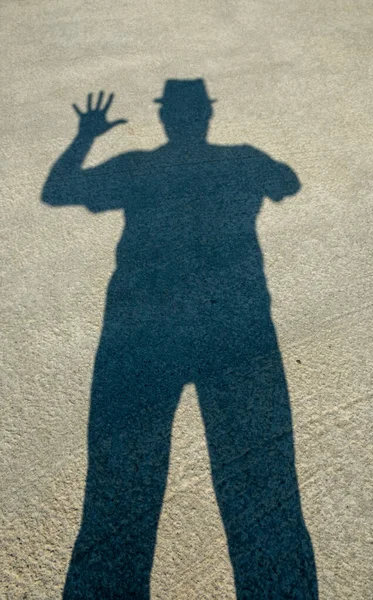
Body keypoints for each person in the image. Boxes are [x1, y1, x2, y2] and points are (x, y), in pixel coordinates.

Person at [42, 79, 318, 599]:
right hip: (238, 332)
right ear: (206, 117)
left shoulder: (138, 167)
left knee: (118, 489)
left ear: (166, 118)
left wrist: (85, 136)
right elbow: (289, 182)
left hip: (139, 332)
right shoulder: (241, 160)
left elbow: (58, 190)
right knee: (262, 485)